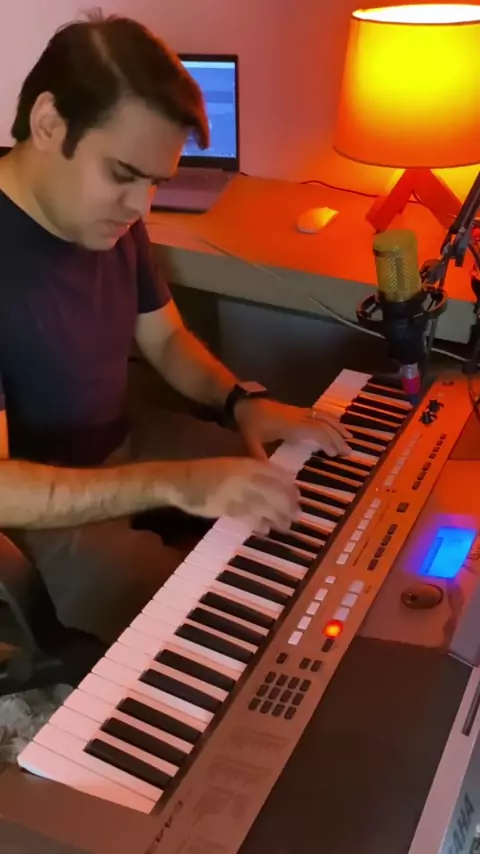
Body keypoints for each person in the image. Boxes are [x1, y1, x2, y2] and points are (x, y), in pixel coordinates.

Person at [0, 12, 350, 643]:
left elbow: (164, 339)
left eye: (155, 183)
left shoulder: (113, 220)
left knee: (303, 497)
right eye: (122, 175)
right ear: (48, 122)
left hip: (127, 443)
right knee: (224, 627)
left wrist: (242, 402)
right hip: (34, 510)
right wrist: (175, 483)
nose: (141, 208)